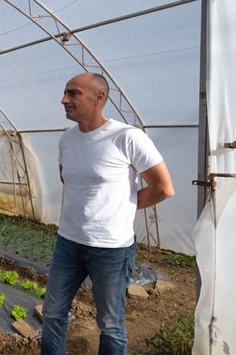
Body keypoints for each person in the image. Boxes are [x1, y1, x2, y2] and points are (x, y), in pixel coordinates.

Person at [41, 73, 175, 354]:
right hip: (68, 241)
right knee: (53, 313)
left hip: (111, 248)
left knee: (110, 323)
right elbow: (70, 181)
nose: (64, 100)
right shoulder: (66, 140)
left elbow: (163, 188)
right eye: (65, 93)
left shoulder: (127, 137)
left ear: (98, 97)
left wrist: (123, 205)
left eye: (73, 93)